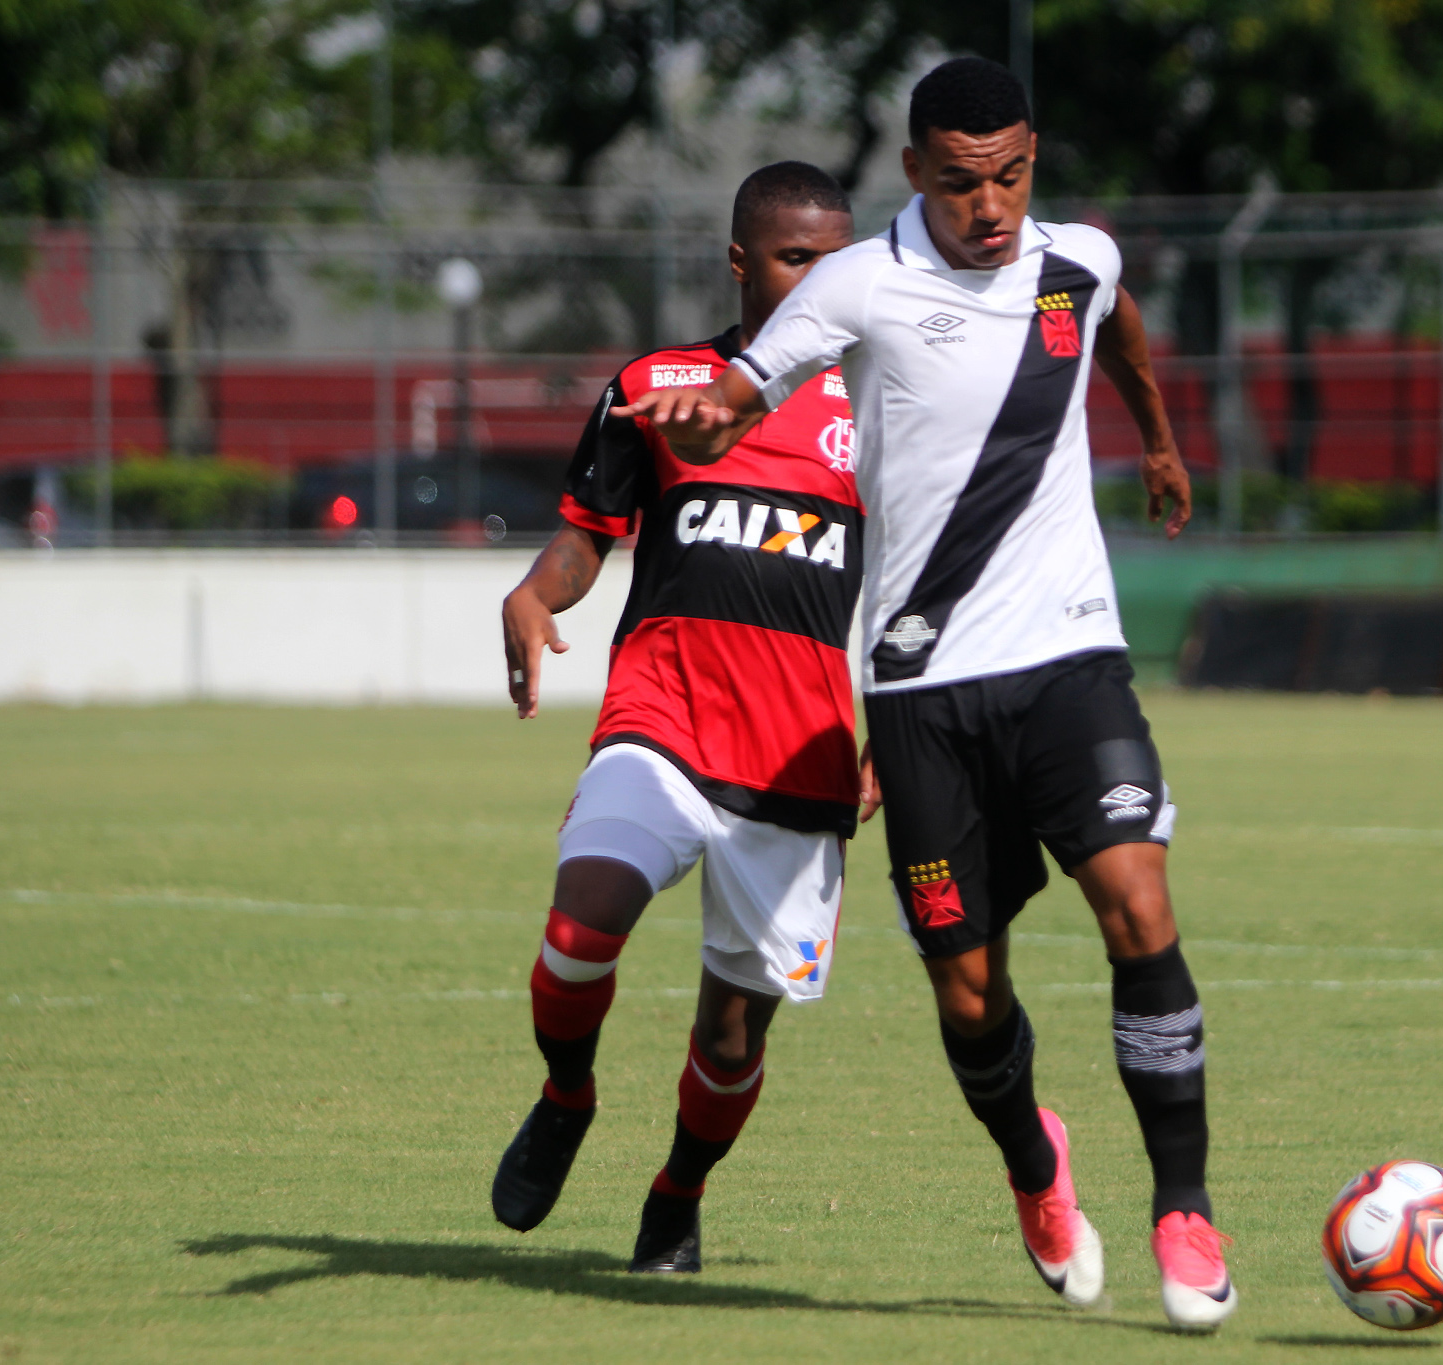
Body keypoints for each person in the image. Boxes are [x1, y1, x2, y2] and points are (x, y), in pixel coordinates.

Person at [610, 58, 1235, 1330]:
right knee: (965, 991)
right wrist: (696, 422)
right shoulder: (855, 285)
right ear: (912, 173)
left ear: (1032, 160)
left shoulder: (1075, 261)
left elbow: (1116, 321)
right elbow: (736, 401)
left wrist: (1159, 438)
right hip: (919, 686)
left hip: (1067, 658)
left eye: (1010, 177)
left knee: (1136, 900)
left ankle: (1183, 1208)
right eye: (959, 183)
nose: (988, 207)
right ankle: (1033, 1166)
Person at [491, 161, 861, 1276]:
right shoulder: (659, 385)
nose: (818, 281)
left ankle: (676, 1194)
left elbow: (919, 589)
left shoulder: (883, 406)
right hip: (661, 719)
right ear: (740, 261)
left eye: (835, 261)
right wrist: (534, 594)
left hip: (798, 758)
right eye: (795, 259)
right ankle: (566, 1096)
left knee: (730, 1037)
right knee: (580, 927)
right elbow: (586, 535)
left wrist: (892, 734)